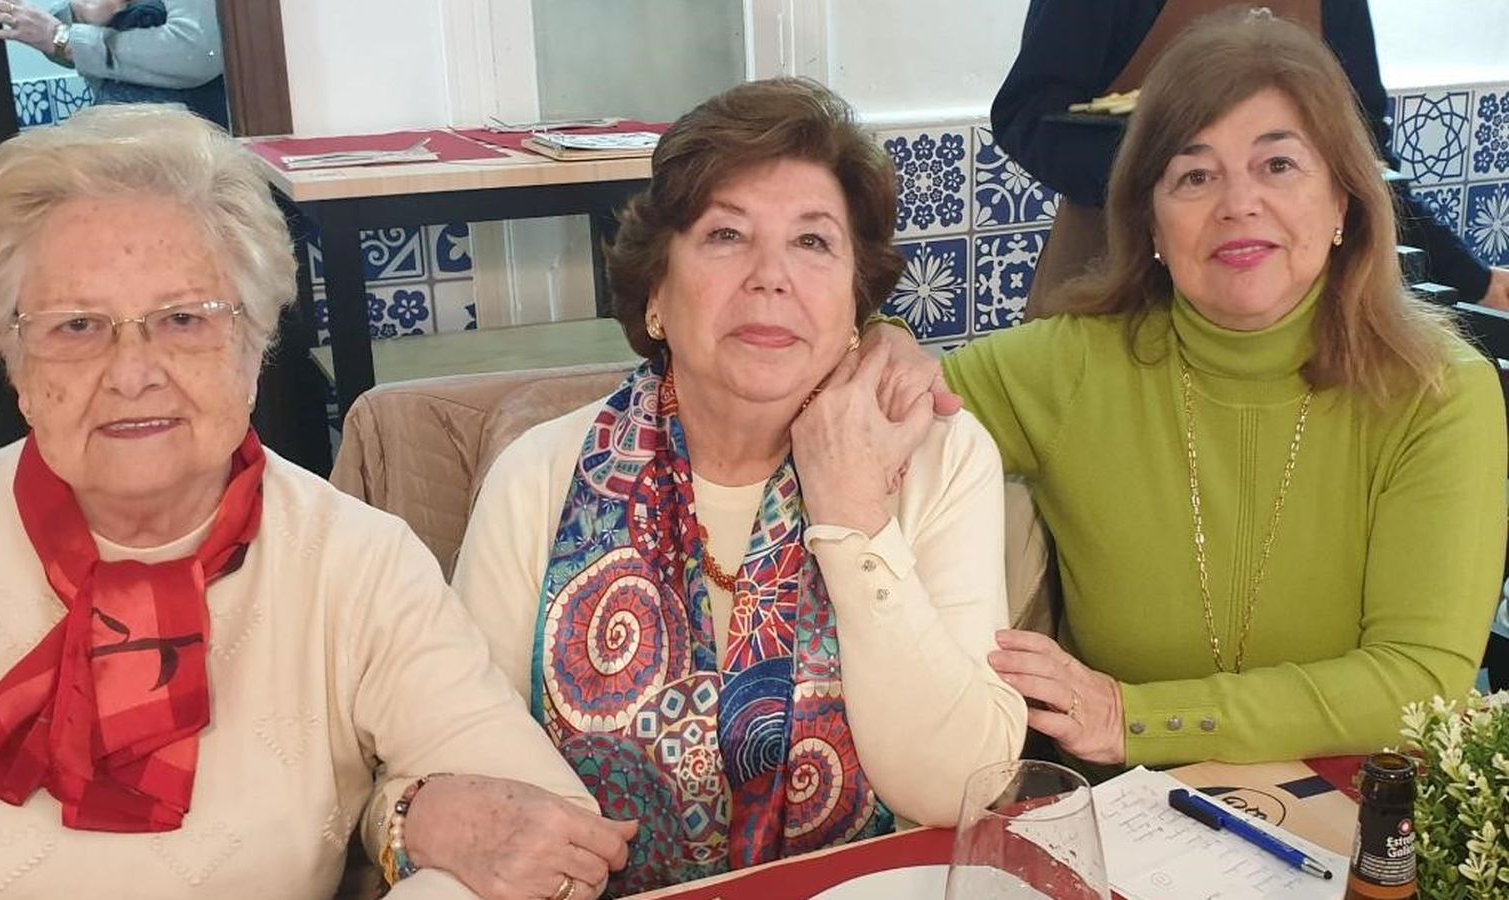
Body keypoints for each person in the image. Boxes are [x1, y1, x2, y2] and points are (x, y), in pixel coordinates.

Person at [0, 105, 634, 900]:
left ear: (257, 344)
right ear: (15, 362)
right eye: (77, 326)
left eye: (184, 320)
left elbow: (544, 834)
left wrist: (404, 822)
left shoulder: (353, 563)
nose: (131, 373)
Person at [869, 9, 1506, 770]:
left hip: (1352, 817)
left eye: (1279, 166)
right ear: (1151, 225)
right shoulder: (1070, 366)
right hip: (1120, 825)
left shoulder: (1436, 391)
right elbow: (880, 403)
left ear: (1344, 201)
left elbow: (1417, 683)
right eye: (1194, 175)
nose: (1238, 204)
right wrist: (882, 339)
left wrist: (1133, 716)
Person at [452, 78, 1027, 894]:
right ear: (655, 292)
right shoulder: (538, 478)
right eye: (725, 235)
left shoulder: (935, 456)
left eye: (814, 242)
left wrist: (854, 515)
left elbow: (954, 785)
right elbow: (471, 774)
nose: (770, 277)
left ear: (858, 297)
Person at [993, 0, 1509, 319]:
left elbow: (1364, 155)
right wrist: (1172, 179)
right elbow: (1025, 114)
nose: (1239, 205)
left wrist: (1475, 281)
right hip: (1113, 295)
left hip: (1282, 321)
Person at [0, 0, 230, 127]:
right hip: (130, 141)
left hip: (188, 152)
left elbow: (196, 52)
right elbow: (76, 55)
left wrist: (61, 38)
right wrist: (81, 16)